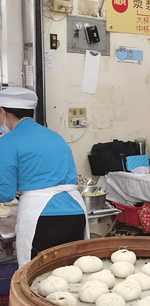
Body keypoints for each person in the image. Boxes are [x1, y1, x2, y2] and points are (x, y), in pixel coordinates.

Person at [0, 87, 88, 266]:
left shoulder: (8, 142)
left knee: (38, 277)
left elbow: (6, 193)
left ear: (2, 112)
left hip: (43, 217)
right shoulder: (55, 136)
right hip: (76, 211)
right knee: (71, 272)